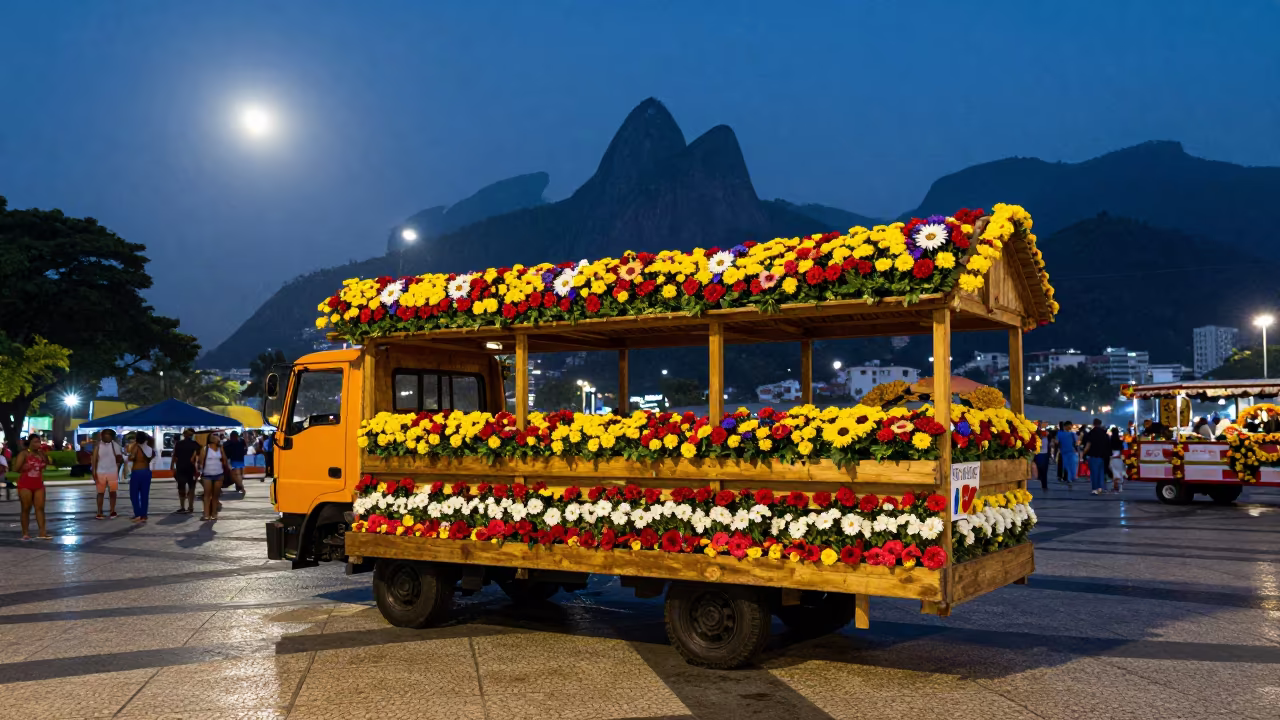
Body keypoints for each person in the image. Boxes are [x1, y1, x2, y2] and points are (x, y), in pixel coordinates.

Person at [14, 434, 51, 540]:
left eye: (38, 442)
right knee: (26, 508)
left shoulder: (41, 454)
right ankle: (25, 533)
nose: (37, 444)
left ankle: (42, 532)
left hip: (38, 484)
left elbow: (46, 464)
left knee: (40, 508)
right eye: (35, 442)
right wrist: (23, 467)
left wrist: (45, 457)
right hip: (25, 484)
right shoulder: (24, 454)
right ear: (29, 443)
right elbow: (16, 468)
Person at [198, 432, 232, 521]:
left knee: (215, 496)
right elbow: (200, 462)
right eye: (215, 436)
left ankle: (214, 513)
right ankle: (206, 514)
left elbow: (224, 460)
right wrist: (200, 471)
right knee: (207, 495)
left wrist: (221, 449)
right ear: (210, 439)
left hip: (219, 475)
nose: (217, 437)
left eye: (217, 436)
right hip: (207, 475)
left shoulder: (220, 449)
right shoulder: (205, 449)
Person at [91, 428, 124, 519]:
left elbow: (119, 457)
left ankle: (112, 510)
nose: (106, 437)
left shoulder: (115, 445)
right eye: (105, 435)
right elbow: (94, 460)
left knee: (112, 492)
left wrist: (118, 465)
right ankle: (99, 511)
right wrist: (94, 472)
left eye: (108, 436)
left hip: (112, 472)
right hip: (100, 472)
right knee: (100, 493)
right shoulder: (98, 446)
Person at [127, 431, 155, 523]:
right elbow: (151, 458)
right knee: (144, 495)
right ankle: (144, 515)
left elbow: (131, 457)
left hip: (137, 472)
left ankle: (138, 514)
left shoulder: (137, 447)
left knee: (134, 494)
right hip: (147, 472)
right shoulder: (150, 449)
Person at [171, 428, 201, 514]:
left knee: (181, 488)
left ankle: (182, 507)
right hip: (190, 468)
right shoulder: (195, 444)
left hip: (181, 468)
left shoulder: (178, 444)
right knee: (191, 488)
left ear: (184, 435)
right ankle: (190, 507)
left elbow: (174, 456)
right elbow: (198, 456)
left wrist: (172, 466)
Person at [1082, 419, 1111, 495]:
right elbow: (1108, 446)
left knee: (1094, 473)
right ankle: (1100, 487)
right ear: (1100, 424)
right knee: (1101, 472)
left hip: (1093, 456)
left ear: (1093, 424)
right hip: (1103, 456)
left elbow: (1088, 445)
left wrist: (1083, 453)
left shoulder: (1092, 433)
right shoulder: (1105, 434)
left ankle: (1095, 488)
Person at [224, 430, 248, 494]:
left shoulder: (230, 443)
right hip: (236, 460)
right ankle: (241, 487)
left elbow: (245, 448)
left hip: (237, 460)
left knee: (238, 475)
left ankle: (240, 487)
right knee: (238, 475)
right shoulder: (230, 443)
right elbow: (245, 448)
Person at [1109, 427, 1126, 493]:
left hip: (1112, 459)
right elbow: (1122, 450)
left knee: (1114, 473)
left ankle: (1115, 486)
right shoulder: (1120, 442)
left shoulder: (1110, 441)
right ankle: (1120, 487)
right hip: (1119, 458)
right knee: (1120, 472)